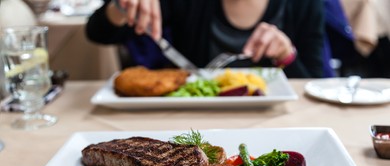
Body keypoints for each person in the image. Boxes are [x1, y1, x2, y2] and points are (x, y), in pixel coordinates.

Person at [86, 0, 325, 78]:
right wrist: (120, 5)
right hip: (192, 118)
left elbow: (315, 79)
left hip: (277, 123)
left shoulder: (303, 4)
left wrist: (286, 55)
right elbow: (99, 32)